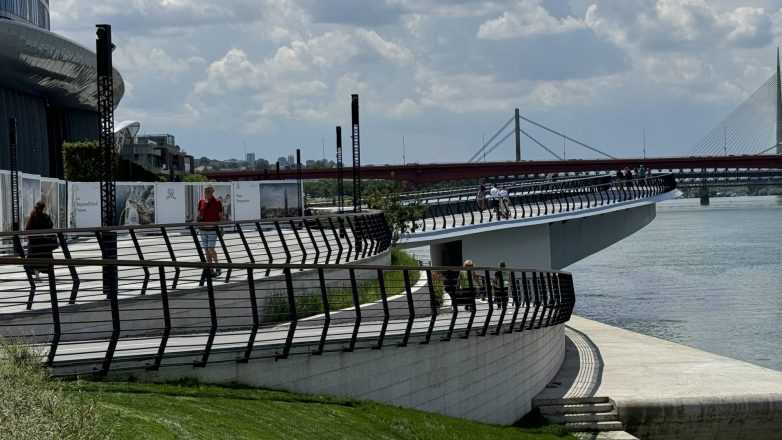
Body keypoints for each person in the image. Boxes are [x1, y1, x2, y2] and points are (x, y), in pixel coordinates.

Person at [197, 185, 224, 277]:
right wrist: (196, 222)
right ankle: (211, 269)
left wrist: (221, 228)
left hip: (212, 229)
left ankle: (217, 265)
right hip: (202, 229)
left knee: (210, 248)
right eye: (206, 191)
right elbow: (199, 214)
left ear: (213, 191)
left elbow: (220, 216)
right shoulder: (201, 201)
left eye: (209, 191)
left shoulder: (217, 202)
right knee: (206, 250)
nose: (207, 193)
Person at [25, 201, 56, 281]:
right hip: (44, 244)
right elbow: (50, 227)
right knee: (48, 259)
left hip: (33, 244)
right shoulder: (45, 217)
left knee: (34, 260)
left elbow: (27, 229)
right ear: (43, 208)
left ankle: (37, 276)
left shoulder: (32, 218)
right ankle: (50, 276)